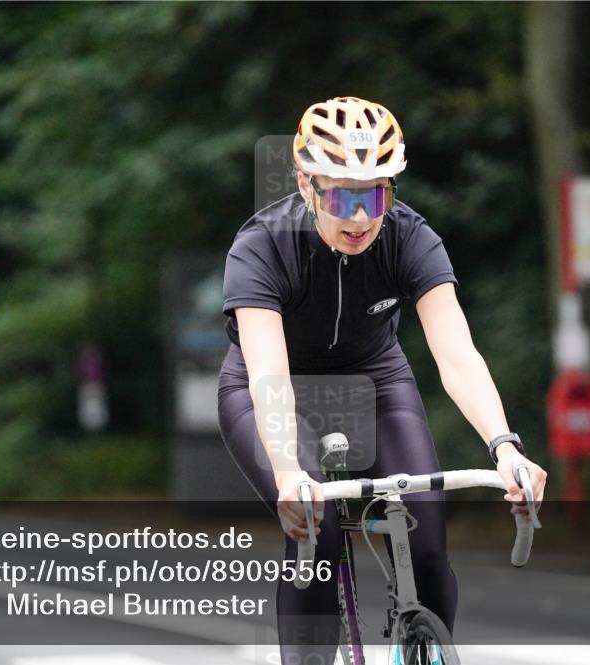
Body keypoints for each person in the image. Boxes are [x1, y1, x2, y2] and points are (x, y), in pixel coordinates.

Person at [218, 96, 547, 663]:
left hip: (374, 379)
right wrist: (289, 472)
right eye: (342, 197)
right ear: (306, 184)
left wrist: (505, 446)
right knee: (316, 530)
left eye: (375, 196)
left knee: (427, 541)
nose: (360, 218)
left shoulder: (409, 237)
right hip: (270, 388)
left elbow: (457, 355)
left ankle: (424, 650)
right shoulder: (262, 245)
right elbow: (270, 377)